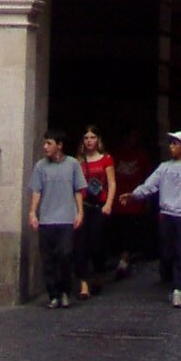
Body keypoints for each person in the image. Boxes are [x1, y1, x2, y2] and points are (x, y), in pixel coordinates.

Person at [129, 129, 181, 307]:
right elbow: (150, 185)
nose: (171, 146)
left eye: (175, 143)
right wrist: (134, 195)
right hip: (166, 214)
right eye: (171, 143)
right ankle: (172, 277)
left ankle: (179, 288)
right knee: (167, 251)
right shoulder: (164, 167)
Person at [27, 128, 86, 308]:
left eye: (49, 143)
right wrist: (32, 212)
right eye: (44, 143)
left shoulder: (72, 164)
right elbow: (37, 191)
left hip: (66, 219)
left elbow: (78, 190)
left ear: (59, 146)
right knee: (48, 260)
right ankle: (53, 294)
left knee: (65, 254)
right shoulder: (40, 166)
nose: (45, 147)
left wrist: (80, 212)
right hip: (46, 219)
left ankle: (65, 291)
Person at [73, 125, 116, 299]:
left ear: (98, 140)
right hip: (83, 205)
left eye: (92, 137)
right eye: (86, 138)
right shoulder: (78, 162)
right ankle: (83, 283)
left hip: (99, 206)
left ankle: (98, 274)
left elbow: (112, 183)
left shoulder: (106, 159)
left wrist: (109, 204)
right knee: (80, 245)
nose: (89, 141)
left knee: (97, 243)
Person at [110, 126, 154, 278]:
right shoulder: (115, 155)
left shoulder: (141, 155)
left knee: (129, 232)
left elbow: (148, 178)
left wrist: (146, 200)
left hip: (135, 203)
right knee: (119, 231)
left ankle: (124, 259)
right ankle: (122, 258)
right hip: (117, 202)